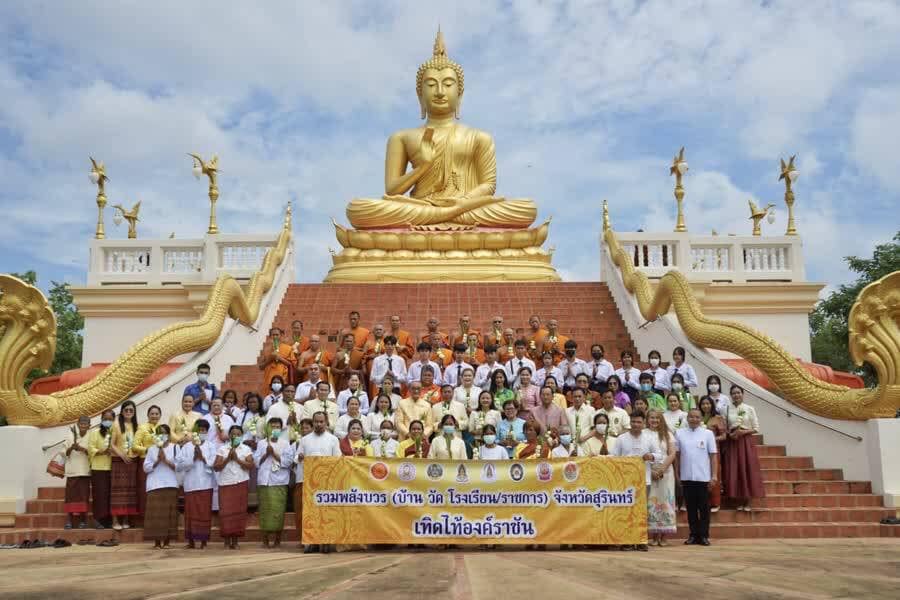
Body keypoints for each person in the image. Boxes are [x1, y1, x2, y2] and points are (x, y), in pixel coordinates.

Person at [611, 411, 664, 551]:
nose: (635, 424)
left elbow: (660, 455)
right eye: (633, 421)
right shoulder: (621, 438)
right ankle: (627, 540)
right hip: (625, 482)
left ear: (643, 423)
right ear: (630, 422)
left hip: (644, 480)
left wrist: (651, 456)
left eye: (639, 422)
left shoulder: (650, 438)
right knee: (626, 511)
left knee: (641, 511)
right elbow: (614, 457)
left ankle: (641, 540)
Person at [298, 412, 341, 554]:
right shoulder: (304, 440)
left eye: (321, 421)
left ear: (326, 422)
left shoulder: (333, 439)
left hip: (327, 482)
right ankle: (311, 543)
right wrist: (300, 457)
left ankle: (326, 542)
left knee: (326, 513)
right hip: (310, 484)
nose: (318, 424)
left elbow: (338, 460)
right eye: (316, 422)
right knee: (311, 513)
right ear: (313, 422)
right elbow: (297, 459)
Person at [676, 408, 719, 546]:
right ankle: (693, 535)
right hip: (687, 476)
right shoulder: (679, 433)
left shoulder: (708, 434)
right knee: (691, 508)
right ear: (687, 418)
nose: (694, 419)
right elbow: (677, 456)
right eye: (691, 417)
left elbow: (713, 456)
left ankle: (704, 535)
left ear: (701, 419)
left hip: (703, 477)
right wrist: (677, 474)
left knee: (704, 509)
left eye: (697, 417)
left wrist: (714, 475)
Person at [723, 385, 765, 511]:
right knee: (734, 469)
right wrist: (730, 434)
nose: (736, 395)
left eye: (738, 393)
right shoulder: (727, 409)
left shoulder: (749, 409)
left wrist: (743, 432)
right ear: (730, 395)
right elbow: (725, 426)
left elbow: (756, 428)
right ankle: (737, 499)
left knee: (746, 468)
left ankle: (747, 501)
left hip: (745, 441)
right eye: (733, 393)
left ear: (742, 394)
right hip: (733, 442)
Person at [254, 417, 294, 548]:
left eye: (277, 427)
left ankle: (277, 540)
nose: (275, 429)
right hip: (264, 482)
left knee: (278, 511)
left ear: (280, 429)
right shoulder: (261, 443)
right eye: (272, 427)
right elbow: (255, 462)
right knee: (265, 511)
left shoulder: (285, 443)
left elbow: (288, 462)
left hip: (279, 481)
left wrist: (274, 454)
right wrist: (266, 454)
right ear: (268, 428)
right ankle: (265, 540)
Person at [176, 418, 215, 549]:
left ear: (207, 432)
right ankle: (191, 541)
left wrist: (203, 458)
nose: (201, 432)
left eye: (203, 430)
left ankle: (203, 541)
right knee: (191, 513)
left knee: (204, 512)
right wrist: (193, 458)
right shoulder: (187, 446)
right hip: (190, 484)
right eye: (198, 430)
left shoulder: (210, 445)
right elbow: (179, 465)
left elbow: (214, 463)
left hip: (205, 484)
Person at [214, 425, 254, 550]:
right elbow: (216, 466)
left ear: (241, 436)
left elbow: (251, 465)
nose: (235, 436)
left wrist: (237, 459)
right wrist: (227, 459)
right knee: (226, 513)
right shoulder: (222, 449)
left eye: (238, 434)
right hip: (225, 483)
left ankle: (235, 541)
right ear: (229, 435)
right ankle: (226, 541)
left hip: (240, 482)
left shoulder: (246, 449)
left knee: (238, 513)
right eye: (233, 434)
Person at [142, 424, 178, 549]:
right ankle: (157, 542)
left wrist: (166, 461)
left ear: (168, 435)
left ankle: (167, 542)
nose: (162, 435)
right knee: (155, 515)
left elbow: (179, 466)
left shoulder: (175, 447)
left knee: (168, 514)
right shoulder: (152, 449)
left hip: (171, 483)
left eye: (164, 433)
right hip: (155, 484)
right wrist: (157, 461)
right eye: (159, 433)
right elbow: (146, 468)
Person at [646, 409, 677, 546]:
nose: (654, 421)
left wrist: (662, 469)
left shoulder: (668, 434)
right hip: (649, 472)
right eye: (652, 418)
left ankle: (664, 536)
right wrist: (653, 471)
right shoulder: (644, 434)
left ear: (661, 420)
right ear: (647, 419)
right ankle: (653, 536)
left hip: (666, 473)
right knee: (651, 501)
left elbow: (672, 454)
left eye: (657, 418)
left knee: (665, 500)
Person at [110, 400, 139, 530]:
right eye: (126, 410)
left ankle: (126, 518)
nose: (128, 412)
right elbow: (112, 444)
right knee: (117, 492)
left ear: (134, 412)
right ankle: (115, 520)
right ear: (122, 412)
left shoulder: (136, 426)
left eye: (131, 410)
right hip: (119, 462)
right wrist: (122, 455)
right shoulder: (116, 425)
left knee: (129, 491)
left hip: (132, 462)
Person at [132, 405, 163, 516]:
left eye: (157, 414)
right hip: (146, 461)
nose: (154, 416)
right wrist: (148, 450)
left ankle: (158, 514)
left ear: (160, 415)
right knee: (145, 488)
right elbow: (134, 446)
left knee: (158, 488)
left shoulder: (163, 427)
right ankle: (145, 514)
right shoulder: (142, 427)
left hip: (160, 462)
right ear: (148, 415)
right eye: (152, 414)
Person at [698, 395, 726, 512]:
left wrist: (711, 439)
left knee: (714, 474)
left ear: (712, 405)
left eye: (708, 404)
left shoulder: (717, 418)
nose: (706, 406)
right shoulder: (698, 418)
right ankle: (703, 502)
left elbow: (724, 436)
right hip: (699, 451)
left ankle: (715, 503)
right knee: (702, 474)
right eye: (703, 404)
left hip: (713, 451)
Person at [87, 409, 115, 529]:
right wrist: (101, 451)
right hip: (98, 468)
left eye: (110, 419)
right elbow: (90, 448)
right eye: (105, 419)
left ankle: (108, 520)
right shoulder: (95, 432)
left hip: (112, 467)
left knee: (110, 495)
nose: (107, 421)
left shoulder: (116, 432)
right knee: (99, 495)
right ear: (101, 420)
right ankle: (98, 519)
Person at [63, 416, 92, 530]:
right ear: (78, 424)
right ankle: (69, 520)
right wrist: (71, 448)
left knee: (83, 497)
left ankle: (83, 521)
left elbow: (93, 451)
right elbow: (64, 452)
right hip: (72, 471)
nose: (84, 425)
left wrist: (82, 449)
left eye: (86, 423)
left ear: (89, 425)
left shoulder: (91, 435)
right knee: (70, 497)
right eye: (82, 423)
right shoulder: (70, 435)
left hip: (85, 471)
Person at [290, 418, 314, 547]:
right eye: (302, 428)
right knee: (300, 510)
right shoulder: (299, 442)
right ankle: (302, 538)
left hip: (316, 481)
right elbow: (293, 459)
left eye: (307, 428)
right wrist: (298, 458)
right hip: (301, 478)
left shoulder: (319, 440)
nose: (305, 430)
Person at [258, 327, 296, 395]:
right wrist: (270, 359)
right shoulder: (266, 349)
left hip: (283, 377)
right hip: (269, 377)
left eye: (277, 335)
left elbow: (292, 364)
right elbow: (261, 367)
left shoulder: (288, 348)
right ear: (270, 336)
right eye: (273, 335)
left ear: (281, 335)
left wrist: (279, 358)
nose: (275, 337)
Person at [566, 388, 596, 456]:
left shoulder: (591, 410)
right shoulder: (567, 411)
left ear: (584, 397)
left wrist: (584, 438)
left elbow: (594, 429)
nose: (577, 399)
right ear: (571, 398)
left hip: (586, 443)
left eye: (579, 396)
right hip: (571, 445)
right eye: (575, 396)